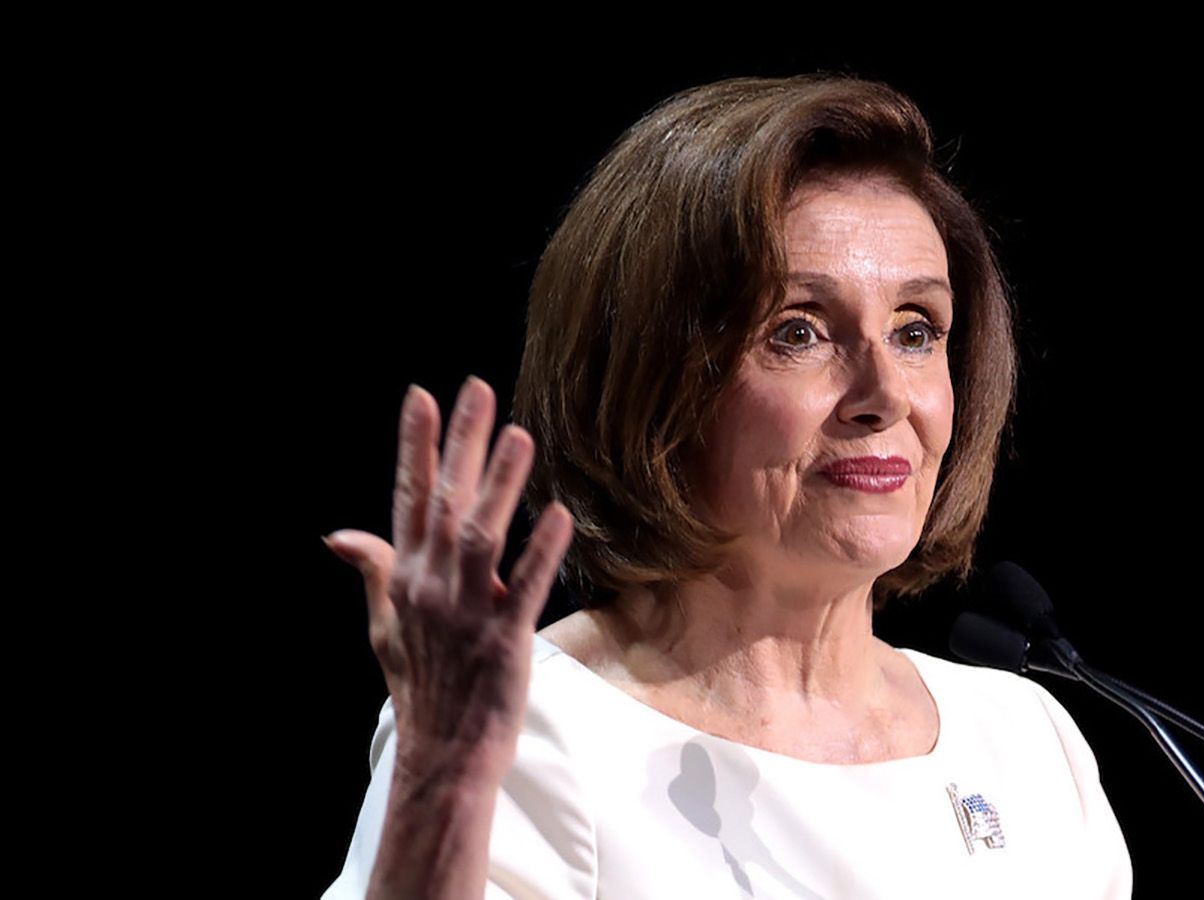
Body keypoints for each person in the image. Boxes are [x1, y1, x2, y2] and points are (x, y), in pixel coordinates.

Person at [321, 73, 1133, 899]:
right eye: (799, 331)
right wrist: (437, 791)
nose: (886, 394)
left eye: (915, 330)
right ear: (653, 381)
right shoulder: (529, 732)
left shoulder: (1025, 743)